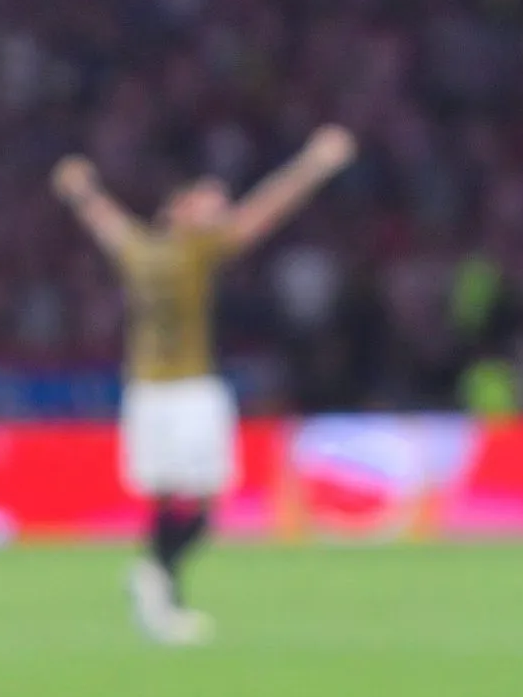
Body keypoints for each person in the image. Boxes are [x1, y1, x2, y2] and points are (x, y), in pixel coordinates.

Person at [52, 125, 356, 645]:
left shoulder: (157, 249)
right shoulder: (176, 251)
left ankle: (157, 585)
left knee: (186, 500)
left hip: (158, 392)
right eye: (207, 199)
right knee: (187, 502)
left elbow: (103, 219)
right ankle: (158, 582)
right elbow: (266, 210)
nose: (218, 207)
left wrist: (81, 190)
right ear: (178, 209)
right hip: (181, 392)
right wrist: (314, 164)